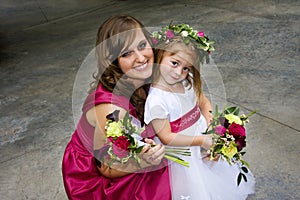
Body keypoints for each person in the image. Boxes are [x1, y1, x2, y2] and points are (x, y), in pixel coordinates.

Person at [62, 15, 171, 200]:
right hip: (98, 171)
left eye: (142, 45)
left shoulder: (144, 71)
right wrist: (144, 161)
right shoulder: (111, 109)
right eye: (126, 53)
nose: (140, 57)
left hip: (130, 147)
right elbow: (107, 167)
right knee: (166, 184)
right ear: (113, 61)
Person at [145, 23, 255, 199]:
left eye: (186, 68)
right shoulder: (156, 99)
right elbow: (166, 137)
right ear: (160, 56)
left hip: (203, 137)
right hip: (185, 149)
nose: (179, 72)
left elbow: (203, 102)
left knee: (215, 173)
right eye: (174, 63)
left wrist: (212, 128)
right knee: (197, 186)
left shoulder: (186, 81)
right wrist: (201, 140)